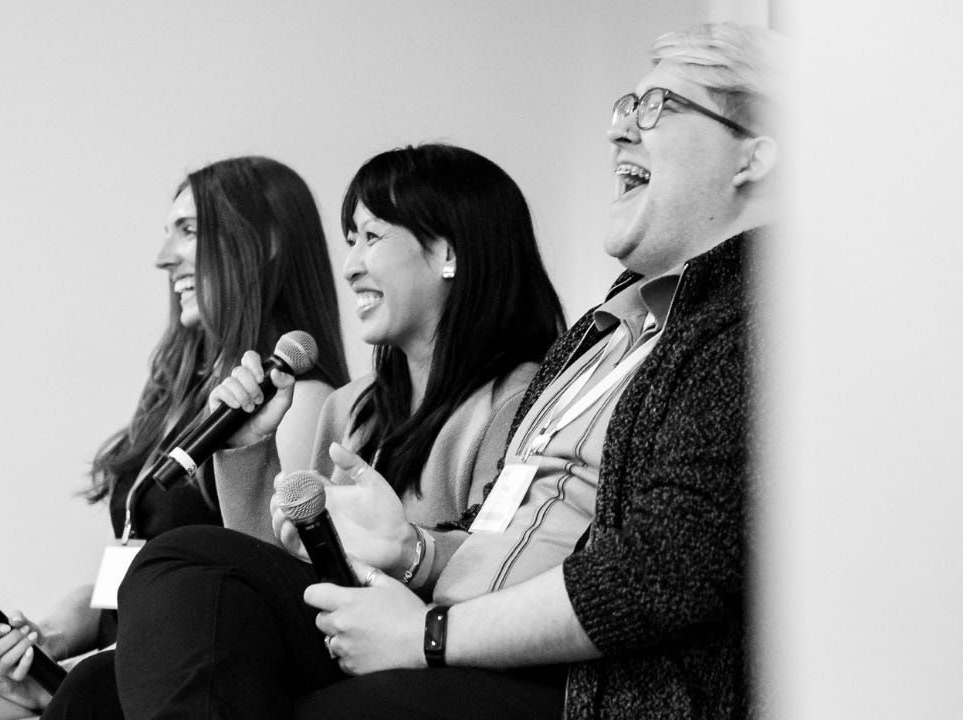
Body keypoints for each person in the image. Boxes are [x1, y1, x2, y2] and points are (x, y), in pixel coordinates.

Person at [105, 21, 780, 720]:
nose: (619, 132)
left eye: (657, 107)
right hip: (450, 625)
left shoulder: (750, 324)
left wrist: (427, 633)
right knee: (102, 683)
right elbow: (501, 529)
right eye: (622, 109)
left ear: (754, 156)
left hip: (560, 677)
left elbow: (664, 570)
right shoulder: (601, 334)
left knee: (189, 569)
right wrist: (414, 548)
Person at [39, 143, 567, 720]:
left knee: (183, 557)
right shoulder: (351, 408)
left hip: (418, 648)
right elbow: (267, 582)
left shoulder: (520, 401)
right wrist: (248, 449)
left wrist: (404, 551)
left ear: (446, 251)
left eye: (372, 237)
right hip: (332, 632)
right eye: (349, 241)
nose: (350, 266)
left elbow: (499, 571)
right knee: (93, 686)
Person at [0, 155, 350, 720]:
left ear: (266, 241)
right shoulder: (187, 390)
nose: (162, 257)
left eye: (188, 230)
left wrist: (77, 673)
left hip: (185, 673)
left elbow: (269, 598)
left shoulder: (300, 403)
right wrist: (49, 635)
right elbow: (127, 564)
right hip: (118, 651)